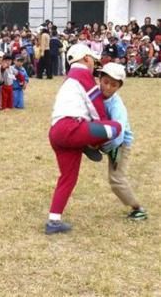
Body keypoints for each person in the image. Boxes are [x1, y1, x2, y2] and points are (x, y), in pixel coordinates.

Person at [45, 44, 122, 235]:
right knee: (116, 127)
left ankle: (53, 221)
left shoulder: (68, 79)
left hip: (56, 132)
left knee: (68, 177)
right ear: (86, 59)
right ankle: (89, 144)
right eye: (92, 60)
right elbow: (95, 105)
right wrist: (105, 126)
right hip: (71, 128)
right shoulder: (82, 74)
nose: (93, 64)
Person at [98, 63, 147, 220]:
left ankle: (138, 208)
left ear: (119, 87)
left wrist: (104, 148)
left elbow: (118, 134)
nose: (108, 87)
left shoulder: (116, 106)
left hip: (119, 145)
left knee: (116, 179)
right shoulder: (95, 95)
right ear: (100, 79)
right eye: (106, 82)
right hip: (107, 139)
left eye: (113, 85)